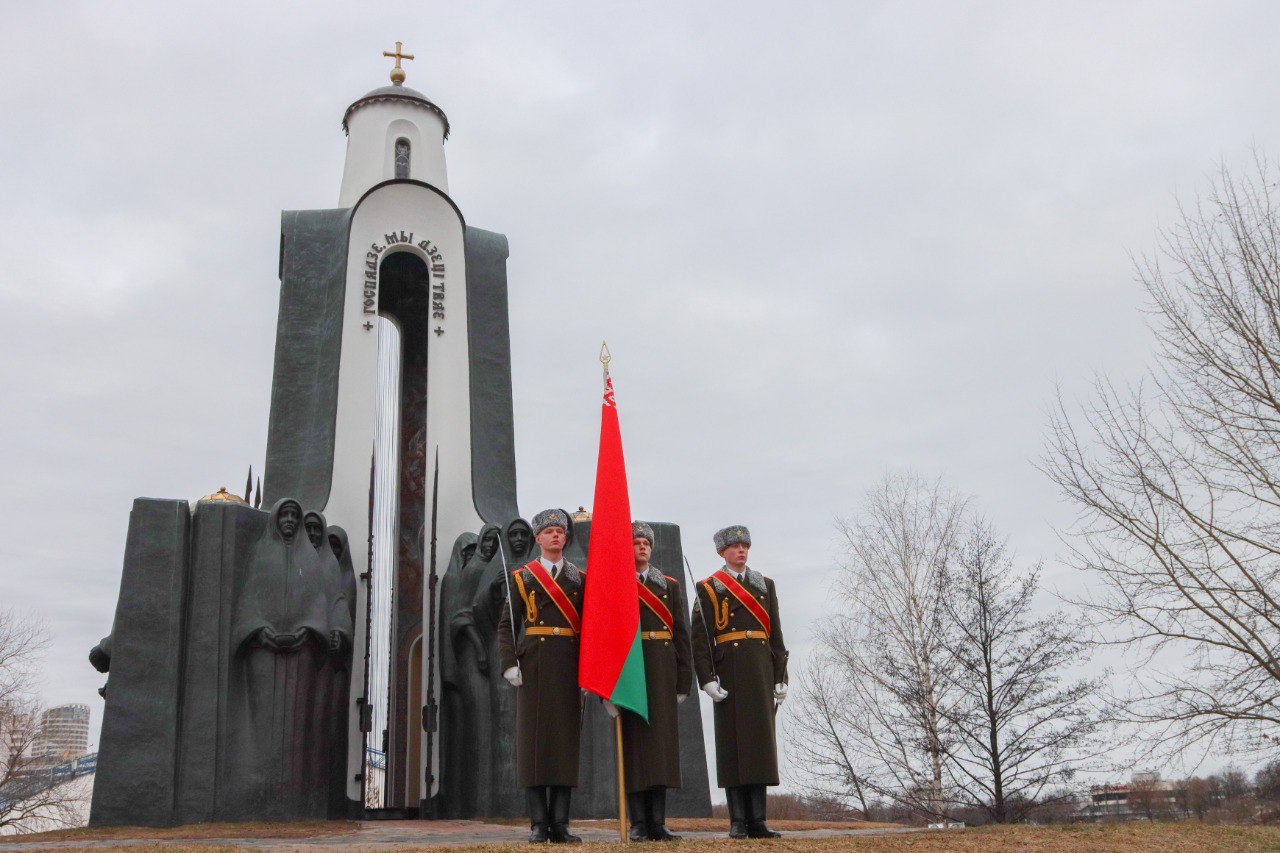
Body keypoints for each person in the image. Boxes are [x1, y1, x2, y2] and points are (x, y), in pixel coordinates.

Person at [691, 525, 789, 839]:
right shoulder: (708, 587)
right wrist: (705, 678)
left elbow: (775, 634)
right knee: (733, 745)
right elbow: (700, 639)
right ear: (722, 552)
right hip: (729, 671)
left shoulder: (766, 585)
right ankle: (737, 821)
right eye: (734, 547)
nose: (741, 551)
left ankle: (758, 820)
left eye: (744, 545)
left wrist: (780, 675)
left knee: (760, 744)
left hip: (760, 669)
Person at [497, 508, 585, 843]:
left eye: (560, 532)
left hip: (568, 665)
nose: (556, 536)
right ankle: (538, 824)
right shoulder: (523, 577)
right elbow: (507, 625)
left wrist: (589, 672)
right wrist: (509, 663)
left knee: (564, 745)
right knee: (533, 744)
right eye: (549, 532)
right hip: (532, 666)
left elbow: (589, 627)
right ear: (538, 539)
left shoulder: (579, 578)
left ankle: (560, 824)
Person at [605, 521, 692, 841]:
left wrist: (684, 682)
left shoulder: (669, 585)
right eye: (635, 542)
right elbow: (607, 636)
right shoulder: (615, 585)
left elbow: (681, 634)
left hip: (662, 673)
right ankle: (638, 822)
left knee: (660, 752)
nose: (641, 547)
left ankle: (658, 822)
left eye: (646, 543)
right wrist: (608, 690)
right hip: (631, 674)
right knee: (635, 749)